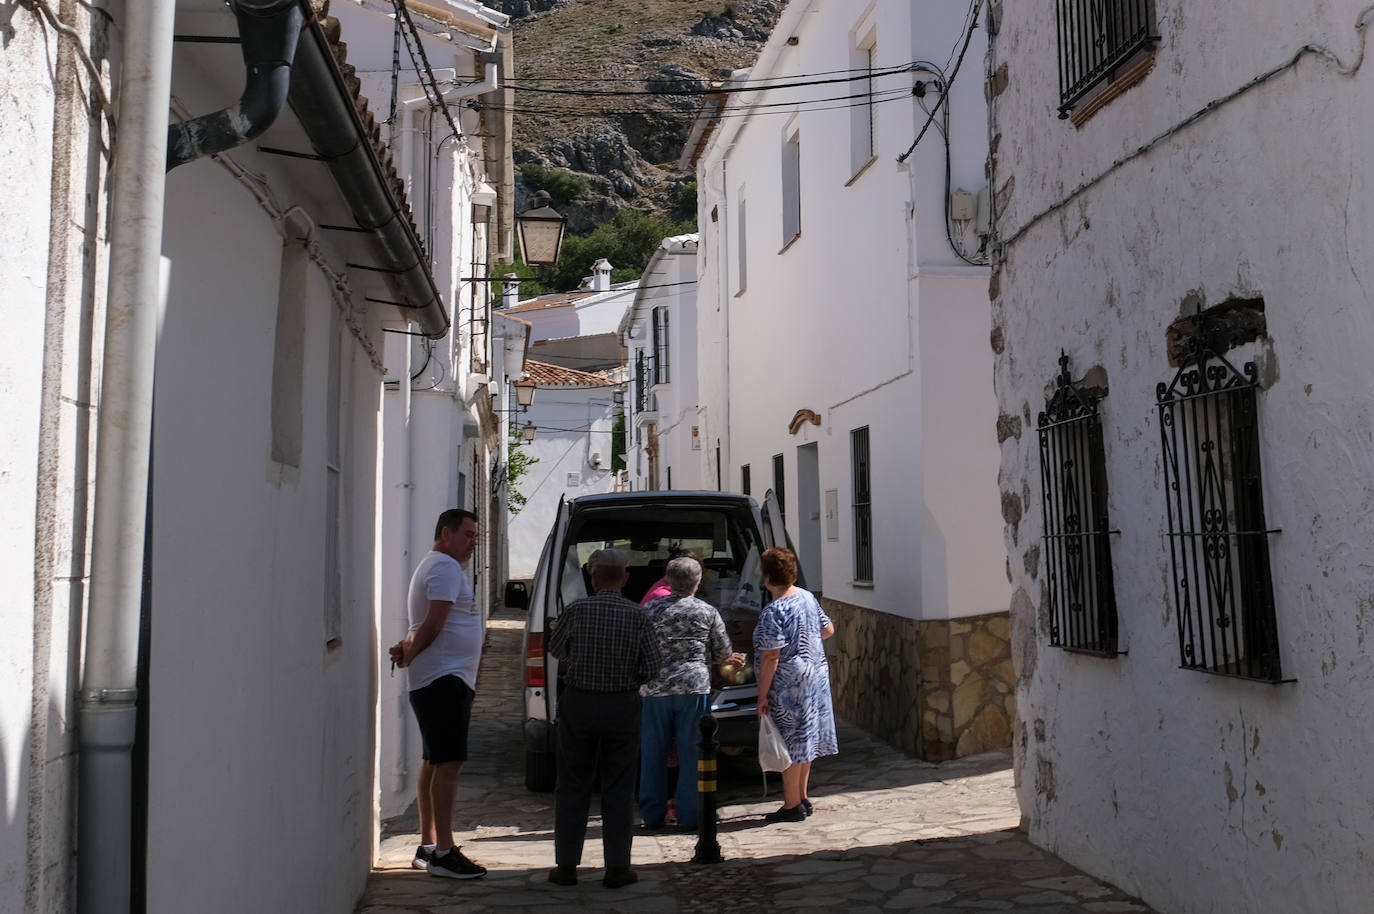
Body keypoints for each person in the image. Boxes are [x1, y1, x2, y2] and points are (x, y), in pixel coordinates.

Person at [546, 548, 663, 889]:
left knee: (571, 785)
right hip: (621, 706)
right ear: (625, 579)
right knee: (618, 786)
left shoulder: (576, 610)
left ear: (593, 579)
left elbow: (555, 649)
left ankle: (566, 865)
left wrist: (577, 660)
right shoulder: (637, 615)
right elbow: (653, 665)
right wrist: (631, 678)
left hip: (579, 704)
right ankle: (617, 867)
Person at [388, 509, 487, 879]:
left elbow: (421, 624)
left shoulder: (438, 566)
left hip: (441, 677)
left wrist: (409, 649)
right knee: (448, 765)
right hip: (445, 678)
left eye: (476, 535)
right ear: (445, 533)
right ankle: (444, 853)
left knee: (433, 761)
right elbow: (434, 621)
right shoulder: (444, 567)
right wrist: (412, 652)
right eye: (467, 533)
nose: (472, 541)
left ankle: (429, 845)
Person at [639, 556, 744, 831]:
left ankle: (652, 814)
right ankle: (689, 814)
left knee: (653, 752)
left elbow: (638, 649)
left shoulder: (649, 610)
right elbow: (723, 654)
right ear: (697, 583)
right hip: (693, 686)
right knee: (692, 751)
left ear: (668, 580)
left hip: (654, 687)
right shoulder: (707, 611)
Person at [754, 546, 837, 824]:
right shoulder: (807, 598)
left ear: (767, 578)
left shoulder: (773, 611)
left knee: (788, 741)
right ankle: (801, 797)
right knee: (806, 738)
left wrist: (762, 695)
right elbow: (828, 629)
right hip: (815, 676)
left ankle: (791, 805)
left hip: (788, 685)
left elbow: (771, 656)